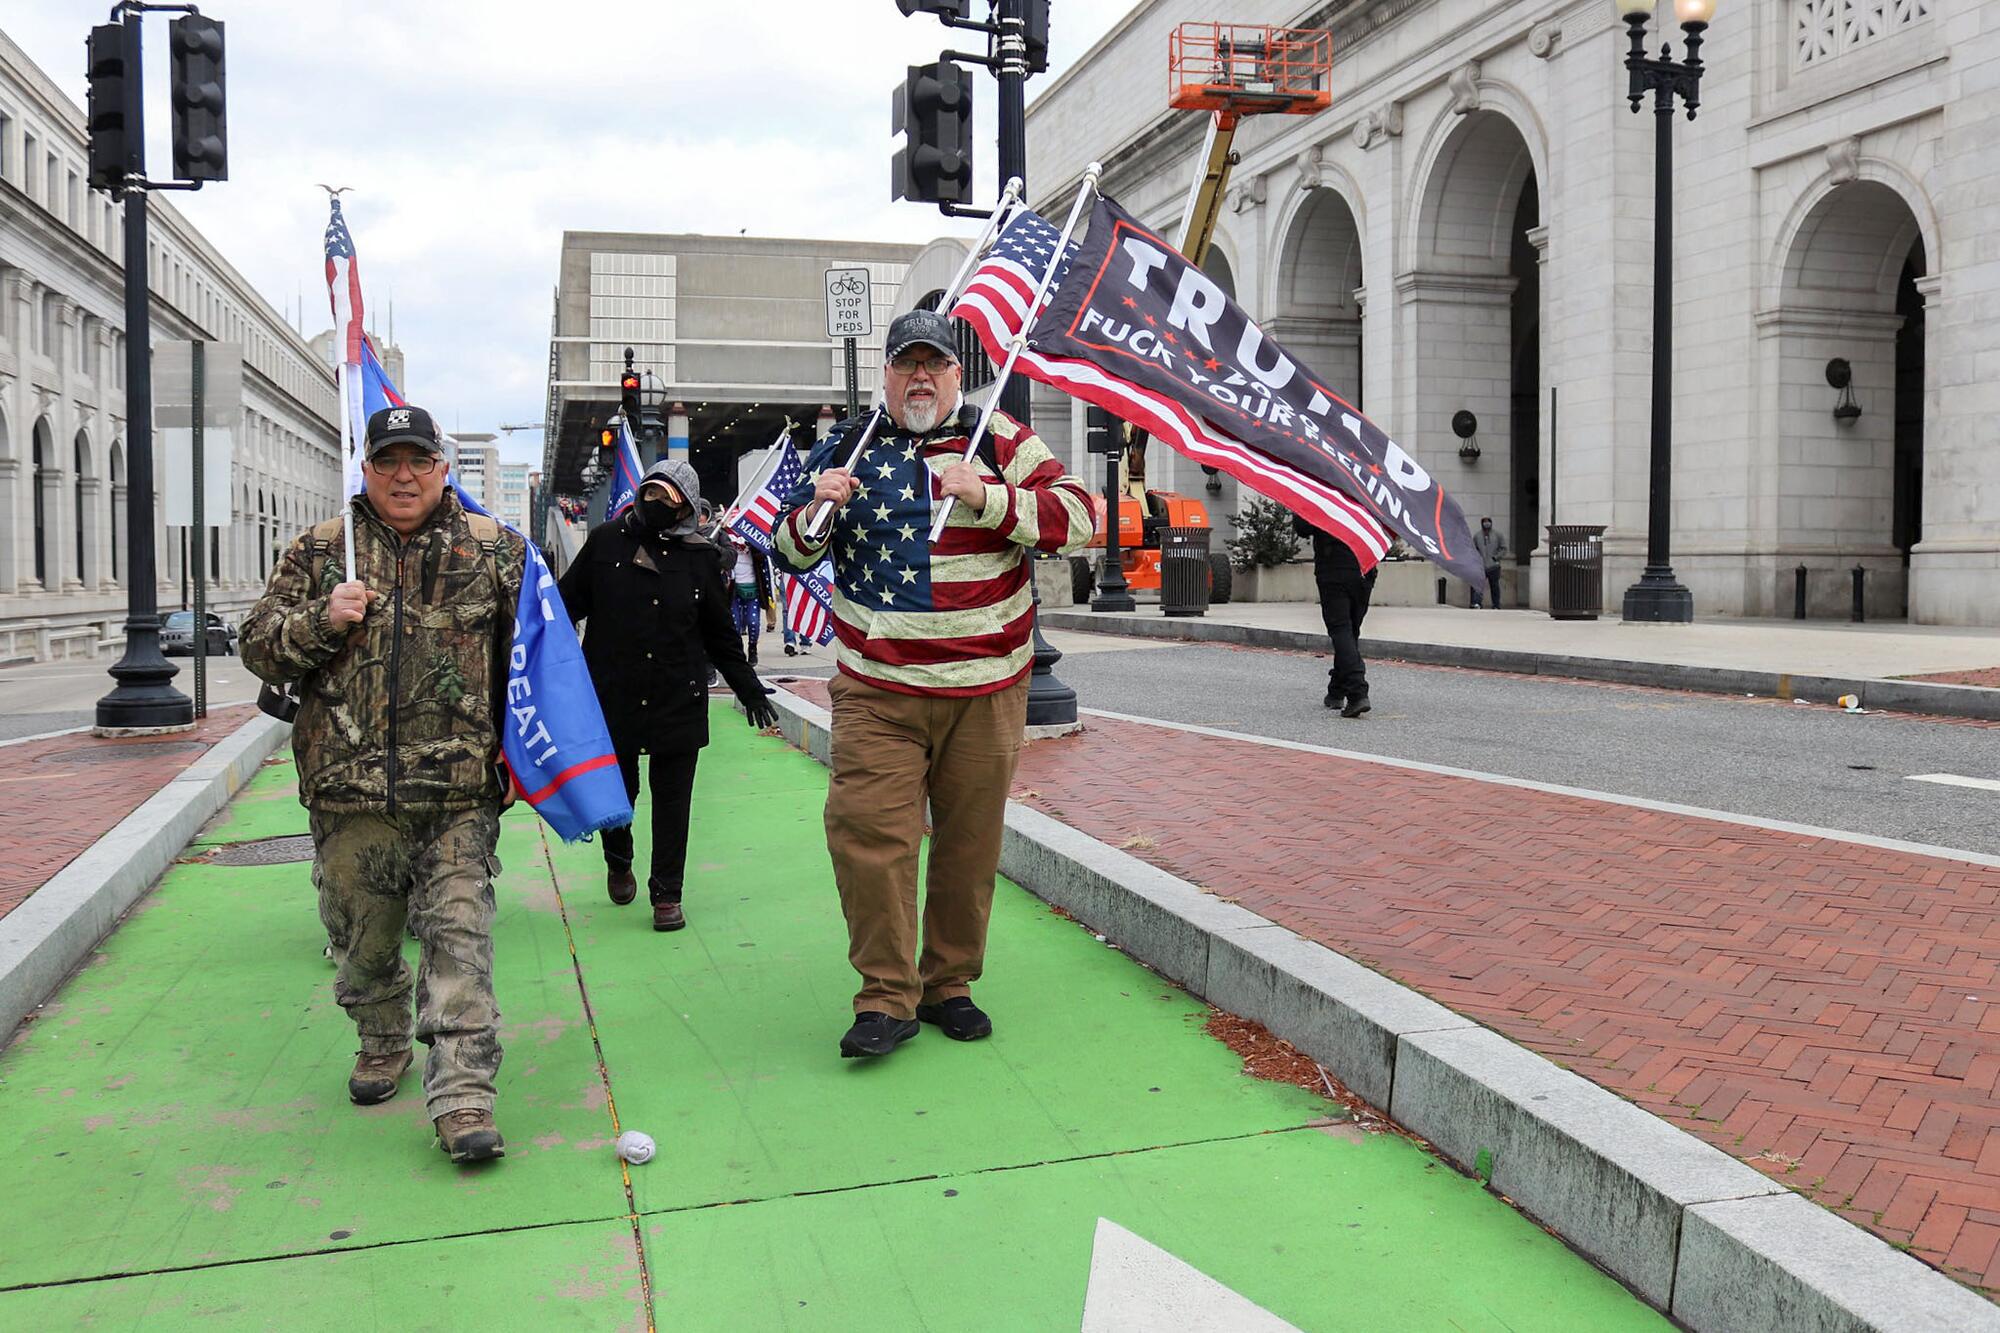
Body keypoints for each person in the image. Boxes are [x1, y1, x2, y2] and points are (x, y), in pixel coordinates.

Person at [775, 309, 1096, 1060]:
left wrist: (988, 497)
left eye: (936, 363)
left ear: (959, 374)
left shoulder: (1002, 440)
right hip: (878, 688)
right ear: (885, 373)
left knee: (968, 843)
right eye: (906, 363)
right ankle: (885, 996)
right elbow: (789, 550)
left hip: (986, 687)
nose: (921, 376)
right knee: (869, 836)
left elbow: (1079, 517)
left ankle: (949, 981)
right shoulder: (850, 444)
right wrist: (820, 506)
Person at [242, 404, 521, 1165]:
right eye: (388, 460)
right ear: (365, 468)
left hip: (458, 793)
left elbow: (535, 664)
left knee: (459, 936)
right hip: (350, 796)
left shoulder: (497, 551)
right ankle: (381, 1033)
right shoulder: (321, 550)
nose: (404, 475)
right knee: (363, 944)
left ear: (442, 468)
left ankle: (463, 1093)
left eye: (419, 460)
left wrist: (534, 762)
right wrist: (321, 621)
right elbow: (259, 647)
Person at [558, 460, 779, 931]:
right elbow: (562, 608)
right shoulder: (605, 542)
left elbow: (721, 636)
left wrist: (749, 688)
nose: (656, 504)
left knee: (673, 800)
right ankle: (618, 859)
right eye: (650, 494)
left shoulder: (701, 558)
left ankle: (667, 895)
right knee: (620, 792)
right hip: (613, 694)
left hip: (678, 694)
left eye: (668, 498)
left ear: (685, 506)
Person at [1295, 514, 1377, 717]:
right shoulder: (1363, 489)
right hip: (1364, 567)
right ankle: (1337, 690)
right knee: (1350, 632)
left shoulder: (1322, 490)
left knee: (1341, 630)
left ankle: (1357, 692)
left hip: (1334, 568)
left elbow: (1303, 527)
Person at [721, 529, 773, 666]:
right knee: (735, 624)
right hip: (734, 589)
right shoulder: (726, 540)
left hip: (752, 588)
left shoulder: (754, 541)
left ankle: (752, 649)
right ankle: (738, 653)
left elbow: (764, 555)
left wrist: (752, 544)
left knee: (753, 621)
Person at [1472, 517, 1507, 609]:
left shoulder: (1497, 535)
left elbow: (1503, 548)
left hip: (1494, 565)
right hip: (1480, 566)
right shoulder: (1477, 536)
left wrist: (1496, 557)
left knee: (1494, 586)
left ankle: (1496, 604)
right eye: (1484, 522)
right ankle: (1477, 603)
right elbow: (1473, 549)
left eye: (1488, 522)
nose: (1486, 524)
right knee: (1478, 585)